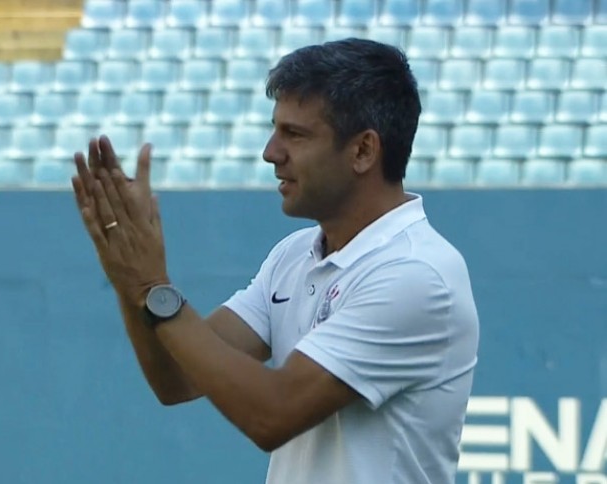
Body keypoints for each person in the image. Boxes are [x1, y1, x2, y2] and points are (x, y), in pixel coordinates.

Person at [72, 38, 479, 484]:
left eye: (296, 134)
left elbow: (272, 414)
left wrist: (153, 286)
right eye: (275, 129)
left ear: (363, 151)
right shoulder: (294, 255)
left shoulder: (416, 276)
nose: (270, 152)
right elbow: (176, 379)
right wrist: (131, 284)